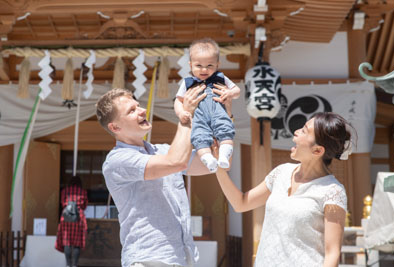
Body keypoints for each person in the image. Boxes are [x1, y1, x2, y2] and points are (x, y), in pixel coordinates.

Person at [215, 112, 354, 267]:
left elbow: (332, 254)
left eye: (304, 131)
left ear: (317, 151)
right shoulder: (281, 172)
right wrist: (218, 169)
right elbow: (240, 203)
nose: (296, 132)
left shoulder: (332, 191)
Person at [96, 86, 211, 267]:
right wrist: (185, 115)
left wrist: (222, 113)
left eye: (138, 105)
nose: (142, 111)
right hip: (147, 258)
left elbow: (212, 163)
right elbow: (177, 162)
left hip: (182, 256)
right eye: (132, 111)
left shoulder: (162, 150)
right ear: (115, 127)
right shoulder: (116, 161)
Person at [174, 38, 241, 173]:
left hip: (219, 112)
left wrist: (230, 93)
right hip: (199, 116)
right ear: (191, 64)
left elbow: (237, 91)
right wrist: (181, 113)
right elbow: (178, 100)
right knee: (199, 136)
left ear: (217, 64)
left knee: (225, 130)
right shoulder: (188, 82)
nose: (204, 69)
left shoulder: (220, 78)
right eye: (199, 66)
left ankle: (223, 155)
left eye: (210, 65)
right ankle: (208, 160)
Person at [55, 175, 88, 267]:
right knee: (77, 243)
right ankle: (74, 265)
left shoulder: (64, 191)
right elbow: (85, 206)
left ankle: (68, 265)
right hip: (78, 218)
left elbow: (62, 203)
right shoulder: (83, 192)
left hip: (66, 217)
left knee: (67, 242)